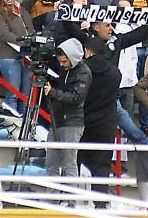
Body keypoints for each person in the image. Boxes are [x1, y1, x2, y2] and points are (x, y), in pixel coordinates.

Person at [42, 38, 92, 184]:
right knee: (51, 162)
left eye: (64, 62)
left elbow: (76, 97)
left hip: (72, 122)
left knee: (69, 163)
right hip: (57, 120)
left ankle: (71, 201)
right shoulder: (66, 71)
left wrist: (53, 92)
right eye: (60, 62)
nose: (61, 65)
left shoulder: (84, 72)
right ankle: (53, 199)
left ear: (73, 58)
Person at [79, 38, 121, 208]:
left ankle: (70, 199)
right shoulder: (115, 73)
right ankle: (101, 203)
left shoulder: (82, 70)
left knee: (74, 162)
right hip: (106, 123)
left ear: (88, 51)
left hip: (84, 122)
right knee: (102, 165)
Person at [0, 0, 33, 113]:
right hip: (9, 57)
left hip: (27, 58)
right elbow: (4, 33)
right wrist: (23, 42)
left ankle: (22, 126)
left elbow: (30, 29)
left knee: (25, 97)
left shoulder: (22, 10)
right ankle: (11, 125)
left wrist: (31, 43)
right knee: (13, 95)